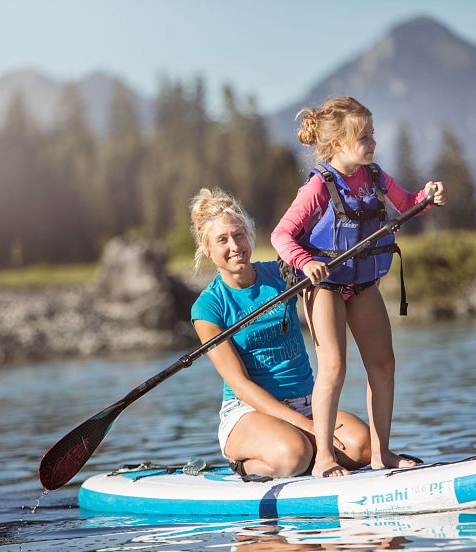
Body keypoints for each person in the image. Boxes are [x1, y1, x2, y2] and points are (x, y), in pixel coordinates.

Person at [271, 96, 447, 478]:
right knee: (333, 367)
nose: (372, 142)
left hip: (363, 283)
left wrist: (428, 198)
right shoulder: (318, 186)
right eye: (363, 136)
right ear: (337, 144)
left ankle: (382, 454)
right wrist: (306, 262)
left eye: (373, 134)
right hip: (325, 286)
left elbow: (408, 203)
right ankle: (323, 460)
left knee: (383, 365)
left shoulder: (377, 177)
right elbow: (281, 235)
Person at [189, 187, 372, 478]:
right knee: (294, 455)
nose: (235, 245)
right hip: (249, 410)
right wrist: (312, 428)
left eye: (239, 235)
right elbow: (241, 386)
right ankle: (245, 464)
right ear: (208, 249)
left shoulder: (281, 274)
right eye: (222, 240)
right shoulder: (208, 308)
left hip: (307, 401)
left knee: (363, 447)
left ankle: (309, 451)